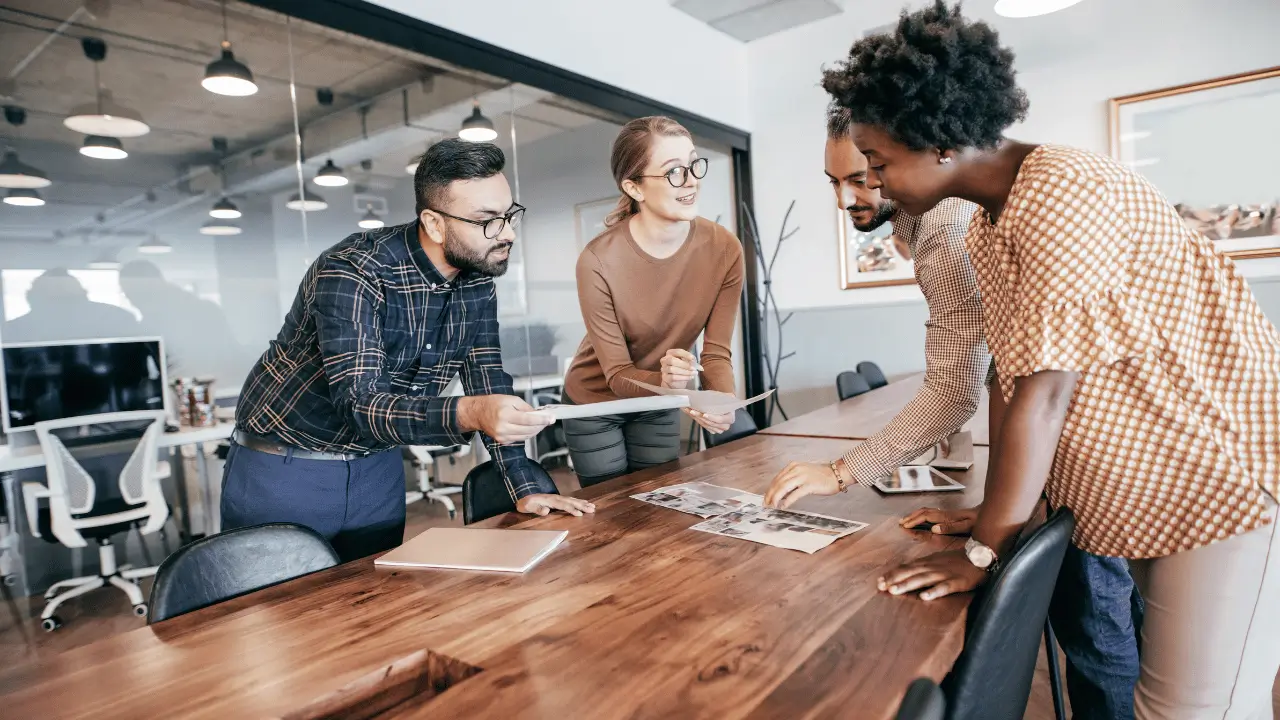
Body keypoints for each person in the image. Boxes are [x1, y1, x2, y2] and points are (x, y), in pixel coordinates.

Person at [824, 3, 1280, 718]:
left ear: (938, 142)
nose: (874, 184)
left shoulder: (1062, 192)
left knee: (1197, 710)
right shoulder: (987, 224)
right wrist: (992, 516)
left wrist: (983, 554)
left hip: (1220, 478)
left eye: (879, 163)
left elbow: (1045, 394)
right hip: (1156, 487)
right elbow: (1012, 380)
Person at [764, 108, 1147, 719]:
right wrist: (992, 509)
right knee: (1103, 624)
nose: (851, 197)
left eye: (868, 173)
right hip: (1051, 444)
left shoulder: (952, 224)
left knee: (1098, 633)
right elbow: (1002, 370)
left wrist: (840, 473)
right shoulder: (933, 224)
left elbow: (957, 391)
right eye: (835, 181)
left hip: (1084, 446)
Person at [226, 139, 594, 562]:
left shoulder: (476, 282)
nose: (508, 233)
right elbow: (360, 405)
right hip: (286, 468)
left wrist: (524, 488)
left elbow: (489, 383)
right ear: (434, 224)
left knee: (374, 608)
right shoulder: (354, 269)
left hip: (378, 466)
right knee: (280, 617)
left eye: (509, 215)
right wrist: (471, 413)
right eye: (487, 220)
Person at [561, 116, 745, 486]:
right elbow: (616, 375)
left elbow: (715, 354)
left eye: (694, 164)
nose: (691, 180)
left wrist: (721, 401)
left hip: (663, 396)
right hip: (595, 400)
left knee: (660, 504)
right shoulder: (597, 261)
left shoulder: (725, 249)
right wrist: (676, 386)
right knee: (611, 512)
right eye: (674, 171)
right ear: (635, 187)